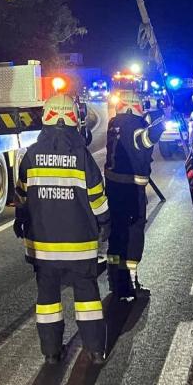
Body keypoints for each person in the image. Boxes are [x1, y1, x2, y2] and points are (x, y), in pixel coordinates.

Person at [14, 93, 110, 365]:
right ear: (74, 119)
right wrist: (105, 222)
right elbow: (97, 197)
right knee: (87, 296)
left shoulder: (31, 155)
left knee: (47, 300)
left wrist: (20, 220)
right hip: (79, 245)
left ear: (46, 118)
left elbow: (21, 196)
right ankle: (95, 351)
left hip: (43, 246)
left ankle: (51, 353)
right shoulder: (81, 155)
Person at [105, 90, 168, 300]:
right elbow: (145, 139)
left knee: (116, 232)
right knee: (134, 233)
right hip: (131, 188)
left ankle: (115, 279)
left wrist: (154, 116)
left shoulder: (114, 123)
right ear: (135, 106)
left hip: (113, 186)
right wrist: (162, 123)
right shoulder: (134, 125)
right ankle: (131, 282)